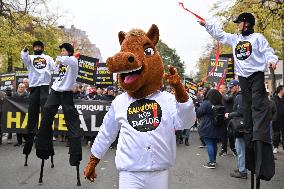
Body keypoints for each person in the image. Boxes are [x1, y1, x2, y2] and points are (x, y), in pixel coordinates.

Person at [199, 12, 278, 147]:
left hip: (256, 75)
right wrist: (207, 25)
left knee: (257, 104)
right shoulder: (235, 39)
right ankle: (248, 130)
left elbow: (267, 51)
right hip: (243, 78)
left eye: (238, 22)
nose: (237, 25)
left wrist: (272, 60)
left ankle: (260, 134)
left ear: (246, 23)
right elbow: (221, 35)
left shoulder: (257, 37)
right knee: (247, 106)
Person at [35, 43, 82, 184]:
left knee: (72, 123)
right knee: (46, 117)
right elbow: (51, 67)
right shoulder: (62, 62)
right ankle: (43, 148)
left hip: (66, 94)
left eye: (63, 50)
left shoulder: (73, 62)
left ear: (69, 52)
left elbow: (67, 60)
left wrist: (61, 57)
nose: (61, 52)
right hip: (55, 92)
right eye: (60, 50)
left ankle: (75, 156)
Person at [21, 41, 55, 159]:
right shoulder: (30, 58)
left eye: (39, 46)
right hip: (34, 87)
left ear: (42, 48)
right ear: (34, 48)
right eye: (36, 46)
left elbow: (54, 67)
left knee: (45, 112)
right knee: (32, 112)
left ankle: (45, 133)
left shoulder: (47, 57)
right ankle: (31, 135)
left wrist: (64, 61)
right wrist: (25, 52)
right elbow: (24, 60)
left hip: (45, 86)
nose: (37, 48)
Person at [197, 89, 224, 169]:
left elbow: (199, 112)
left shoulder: (206, 103)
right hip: (218, 126)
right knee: (214, 144)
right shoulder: (220, 103)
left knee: (209, 143)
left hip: (207, 126)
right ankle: (214, 160)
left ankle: (211, 163)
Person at [225, 89, 247, 179]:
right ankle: (241, 168)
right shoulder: (244, 95)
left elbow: (240, 112)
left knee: (241, 150)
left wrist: (229, 115)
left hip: (242, 126)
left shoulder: (241, 96)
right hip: (246, 126)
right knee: (239, 149)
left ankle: (242, 171)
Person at [219, 80, 239, 156]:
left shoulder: (233, 94)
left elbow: (227, 99)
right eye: (220, 88)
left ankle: (233, 148)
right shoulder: (227, 94)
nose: (220, 89)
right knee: (223, 133)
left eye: (222, 88)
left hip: (231, 116)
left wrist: (223, 94)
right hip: (223, 116)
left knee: (231, 133)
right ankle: (224, 149)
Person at [271, 85, 284, 154]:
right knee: (276, 134)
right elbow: (271, 109)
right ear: (280, 90)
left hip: (283, 119)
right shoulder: (274, 99)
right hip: (276, 119)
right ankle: (275, 147)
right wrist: (273, 117)